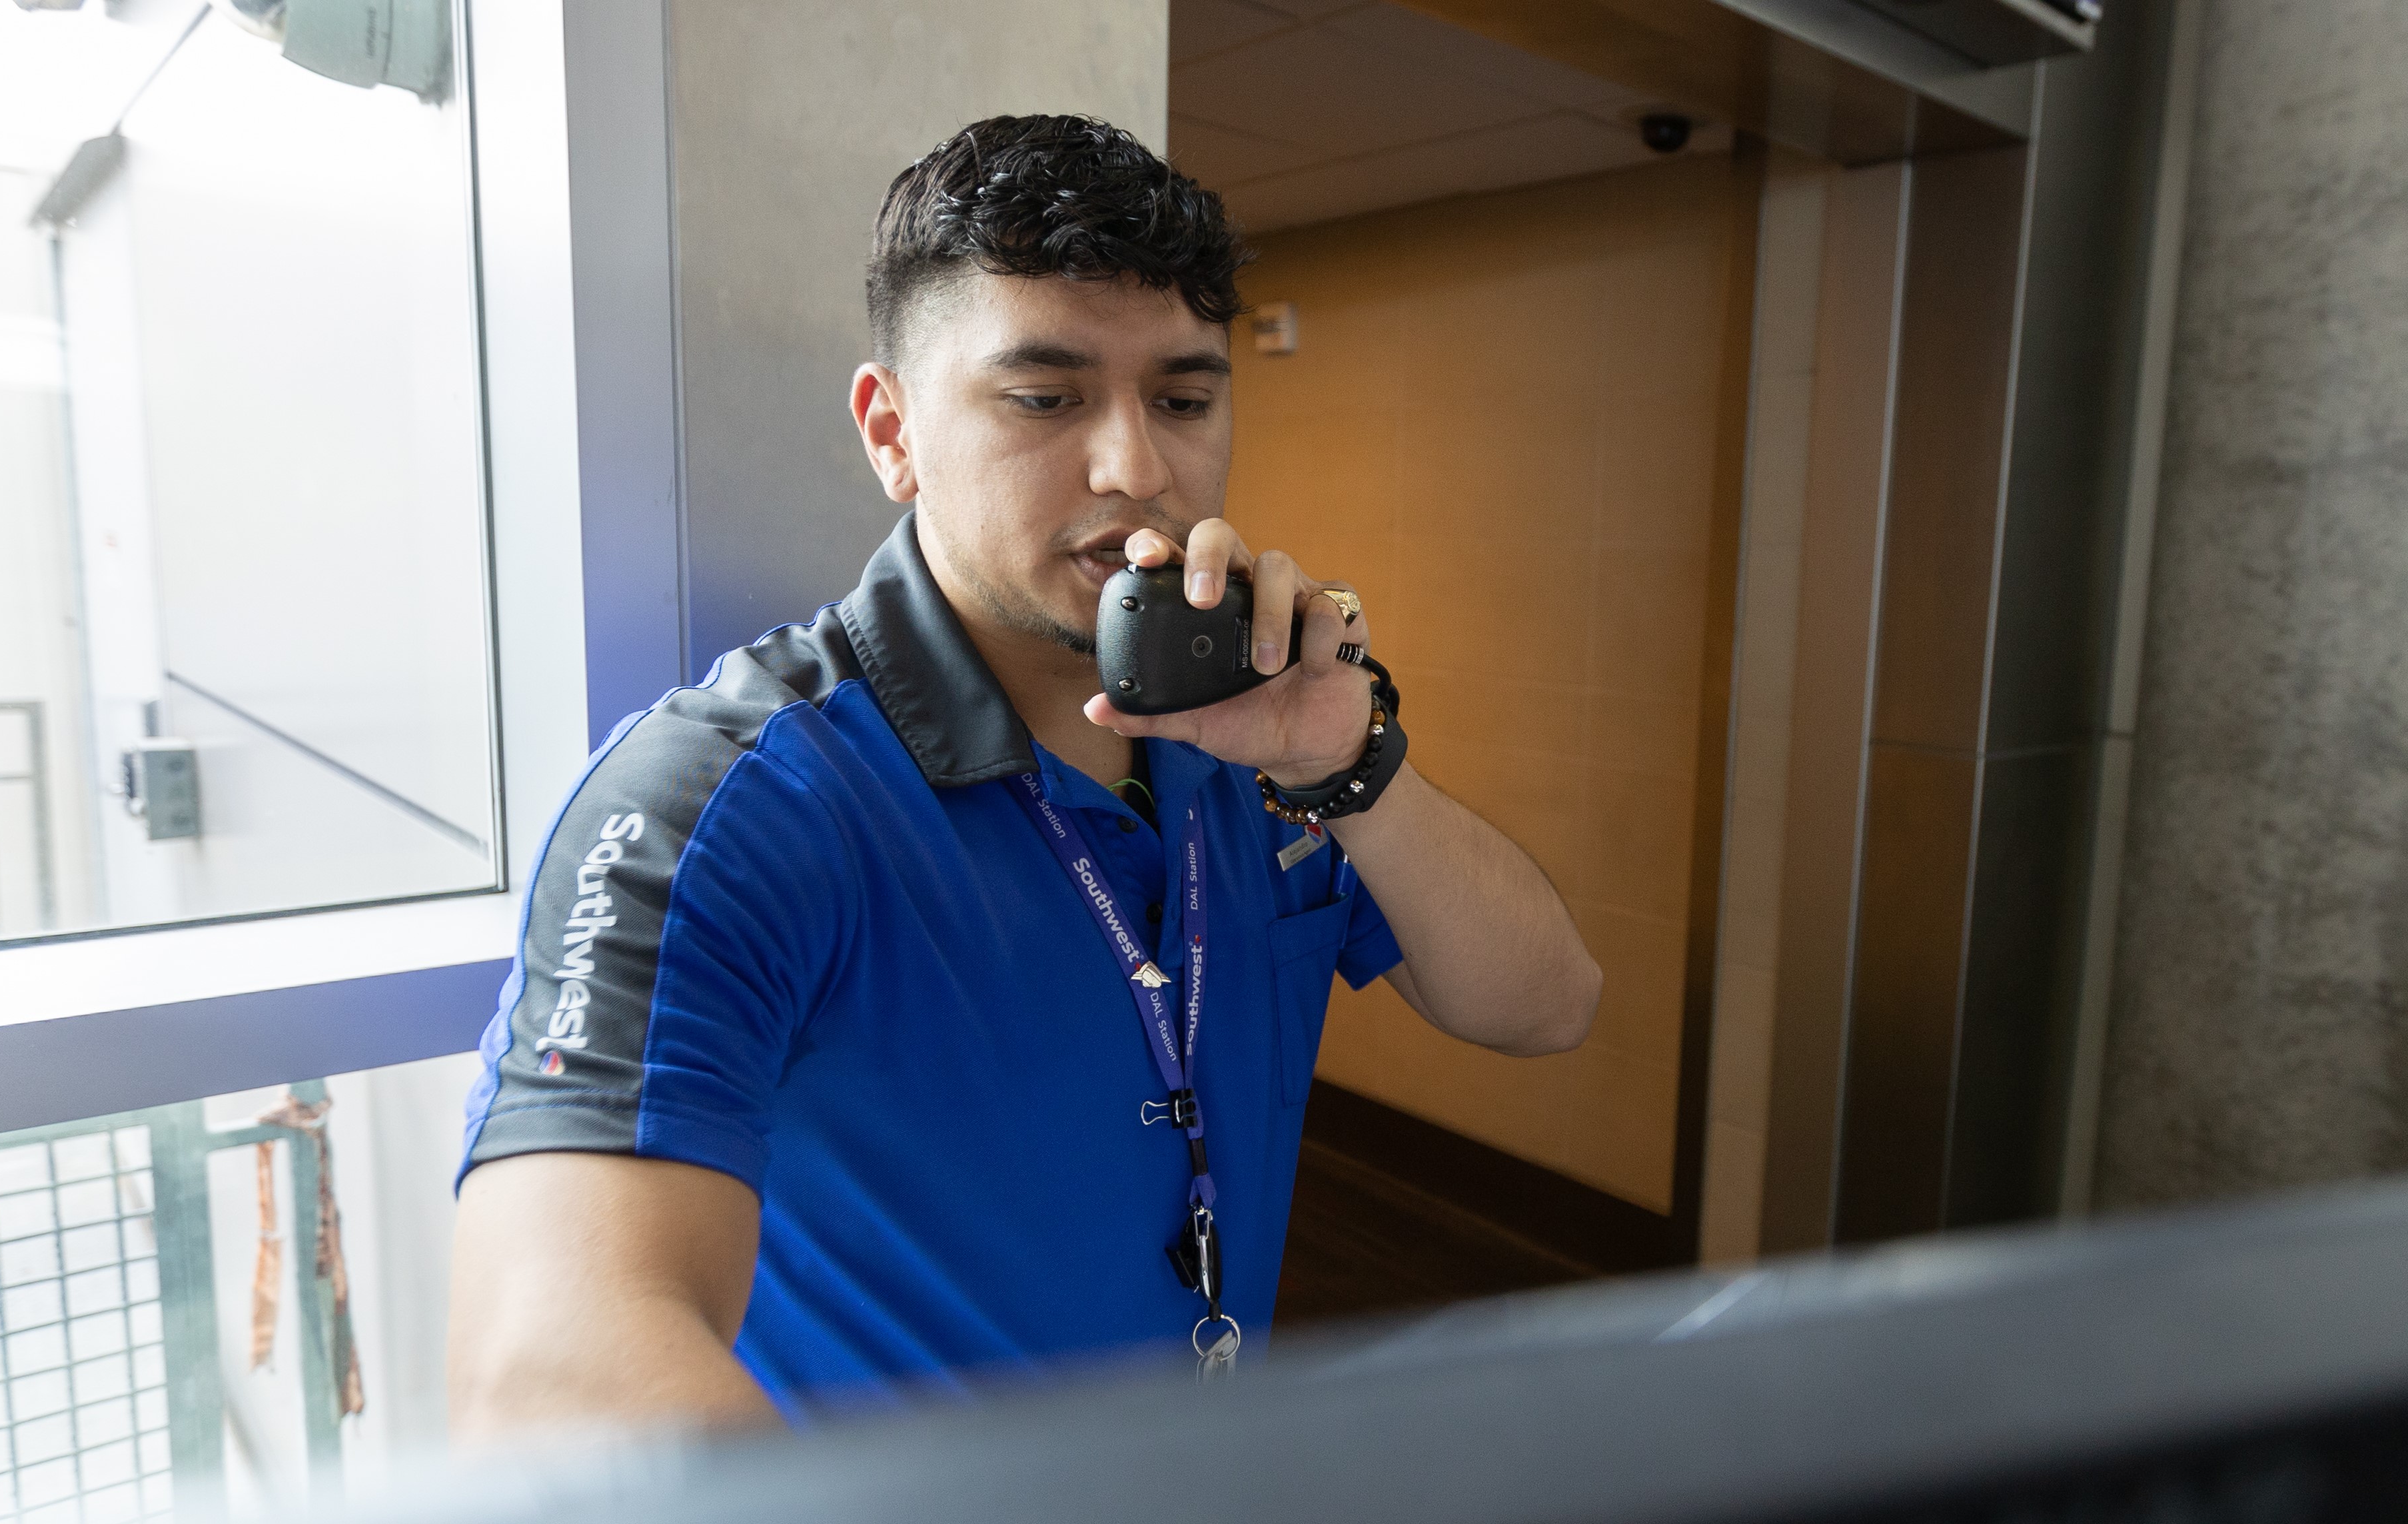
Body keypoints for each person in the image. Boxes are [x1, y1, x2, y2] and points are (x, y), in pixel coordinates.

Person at [444, 115, 1602, 1437]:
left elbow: (1547, 1003)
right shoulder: (726, 802)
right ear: (894, 432)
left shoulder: (1260, 732)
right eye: (1044, 398)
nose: (1139, 469)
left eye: (1183, 397)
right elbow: (546, 1372)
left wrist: (1351, 765)